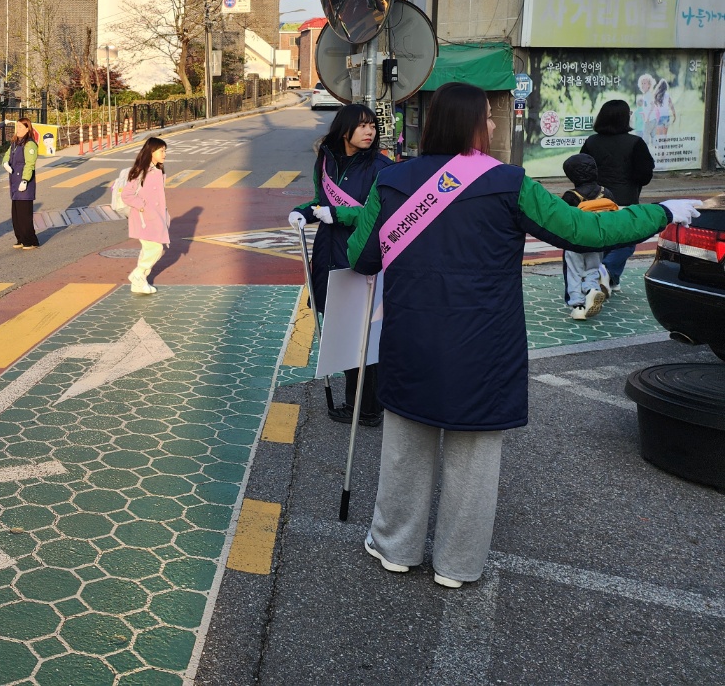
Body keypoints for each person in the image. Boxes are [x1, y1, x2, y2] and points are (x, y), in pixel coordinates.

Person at [346, 82, 698, 589]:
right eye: (487, 118)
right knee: (474, 457)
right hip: (484, 346)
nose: (493, 125)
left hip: (411, 340)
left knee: (406, 444)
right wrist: (662, 213)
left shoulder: (392, 180)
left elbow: (363, 258)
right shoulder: (509, 182)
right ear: (471, 125)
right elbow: (586, 231)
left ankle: (395, 546)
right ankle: (457, 564)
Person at [288, 102, 394, 426]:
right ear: (344, 130)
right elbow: (321, 201)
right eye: (362, 125)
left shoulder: (381, 167)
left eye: (372, 126)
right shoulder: (326, 160)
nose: (369, 131)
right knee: (345, 333)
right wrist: (304, 212)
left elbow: (381, 215)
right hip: (329, 254)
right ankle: (356, 402)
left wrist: (339, 214)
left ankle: (369, 408)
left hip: (362, 257)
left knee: (364, 336)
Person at [581, 98, 655, 292]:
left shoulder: (591, 142)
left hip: (595, 200)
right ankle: (606, 270)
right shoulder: (635, 143)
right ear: (624, 118)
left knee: (603, 240)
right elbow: (644, 175)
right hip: (624, 200)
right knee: (627, 241)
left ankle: (611, 280)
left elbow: (580, 169)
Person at [559, 153, 618, 320]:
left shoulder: (571, 196)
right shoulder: (606, 193)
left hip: (575, 242)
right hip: (598, 241)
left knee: (574, 271)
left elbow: (562, 219)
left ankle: (577, 305)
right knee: (592, 269)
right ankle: (592, 290)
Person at [120, 137, 169, 294]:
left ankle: (139, 283)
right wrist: (142, 206)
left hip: (156, 218)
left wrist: (165, 216)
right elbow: (126, 195)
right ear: (151, 151)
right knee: (155, 248)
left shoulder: (158, 171)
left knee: (149, 250)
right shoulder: (141, 171)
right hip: (144, 218)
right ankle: (138, 274)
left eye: (165, 151)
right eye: (161, 151)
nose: (164, 154)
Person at [2, 117, 39, 249]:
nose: (17, 129)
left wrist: (25, 180)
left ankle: (30, 240)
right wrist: (5, 163)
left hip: (24, 181)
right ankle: (21, 238)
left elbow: (30, 164)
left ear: (27, 129)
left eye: (20, 127)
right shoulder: (15, 142)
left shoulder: (29, 144)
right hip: (14, 181)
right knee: (16, 215)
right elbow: (7, 155)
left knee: (24, 215)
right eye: (17, 126)